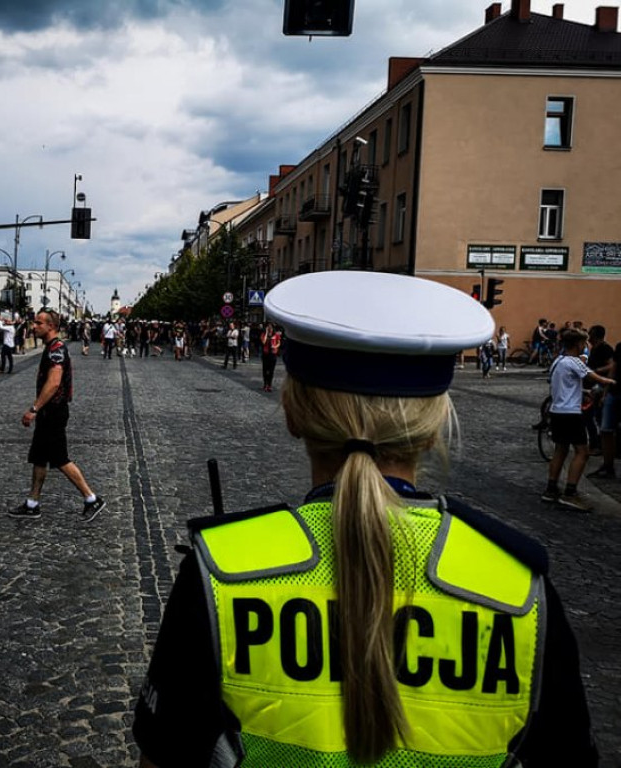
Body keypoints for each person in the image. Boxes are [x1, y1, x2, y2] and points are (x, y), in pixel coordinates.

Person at [134, 271, 599, 768]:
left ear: (292, 411)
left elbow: (163, 757)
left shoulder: (221, 574)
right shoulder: (519, 591)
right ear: (436, 422)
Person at [11, 310, 106, 522]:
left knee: (60, 459)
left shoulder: (56, 350)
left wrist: (33, 409)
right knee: (39, 458)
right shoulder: (52, 347)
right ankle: (32, 503)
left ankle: (91, 498)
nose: (34, 326)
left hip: (53, 412)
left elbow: (54, 383)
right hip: (48, 412)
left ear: (51, 327)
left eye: (38, 323)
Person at [542, 328, 615, 512]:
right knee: (582, 452)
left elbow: (565, 386)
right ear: (577, 345)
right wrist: (611, 382)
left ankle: (551, 489)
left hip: (557, 410)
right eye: (583, 344)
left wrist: (582, 393)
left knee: (560, 449)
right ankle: (570, 493)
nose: (585, 347)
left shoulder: (558, 361)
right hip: (570, 414)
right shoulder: (574, 362)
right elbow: (594, 377)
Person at [587, 336, 620, 480]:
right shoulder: (620, 347)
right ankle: (608, 466)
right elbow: (614, 367)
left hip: (615, 393)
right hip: (614, 392)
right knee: (606, 430)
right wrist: (606, 393)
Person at [260, 322, 281, 392]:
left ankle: (269, 385)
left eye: (271, 327)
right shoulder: (264, 334)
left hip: (273, 354)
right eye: (268, 327)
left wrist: (275, 346)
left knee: (271, 371)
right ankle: (265, 384)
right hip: (265, 354)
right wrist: (266, 332)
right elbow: (263, 342)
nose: (270, 329)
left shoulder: (276, 335)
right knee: (265, 370)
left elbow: (279, 343)